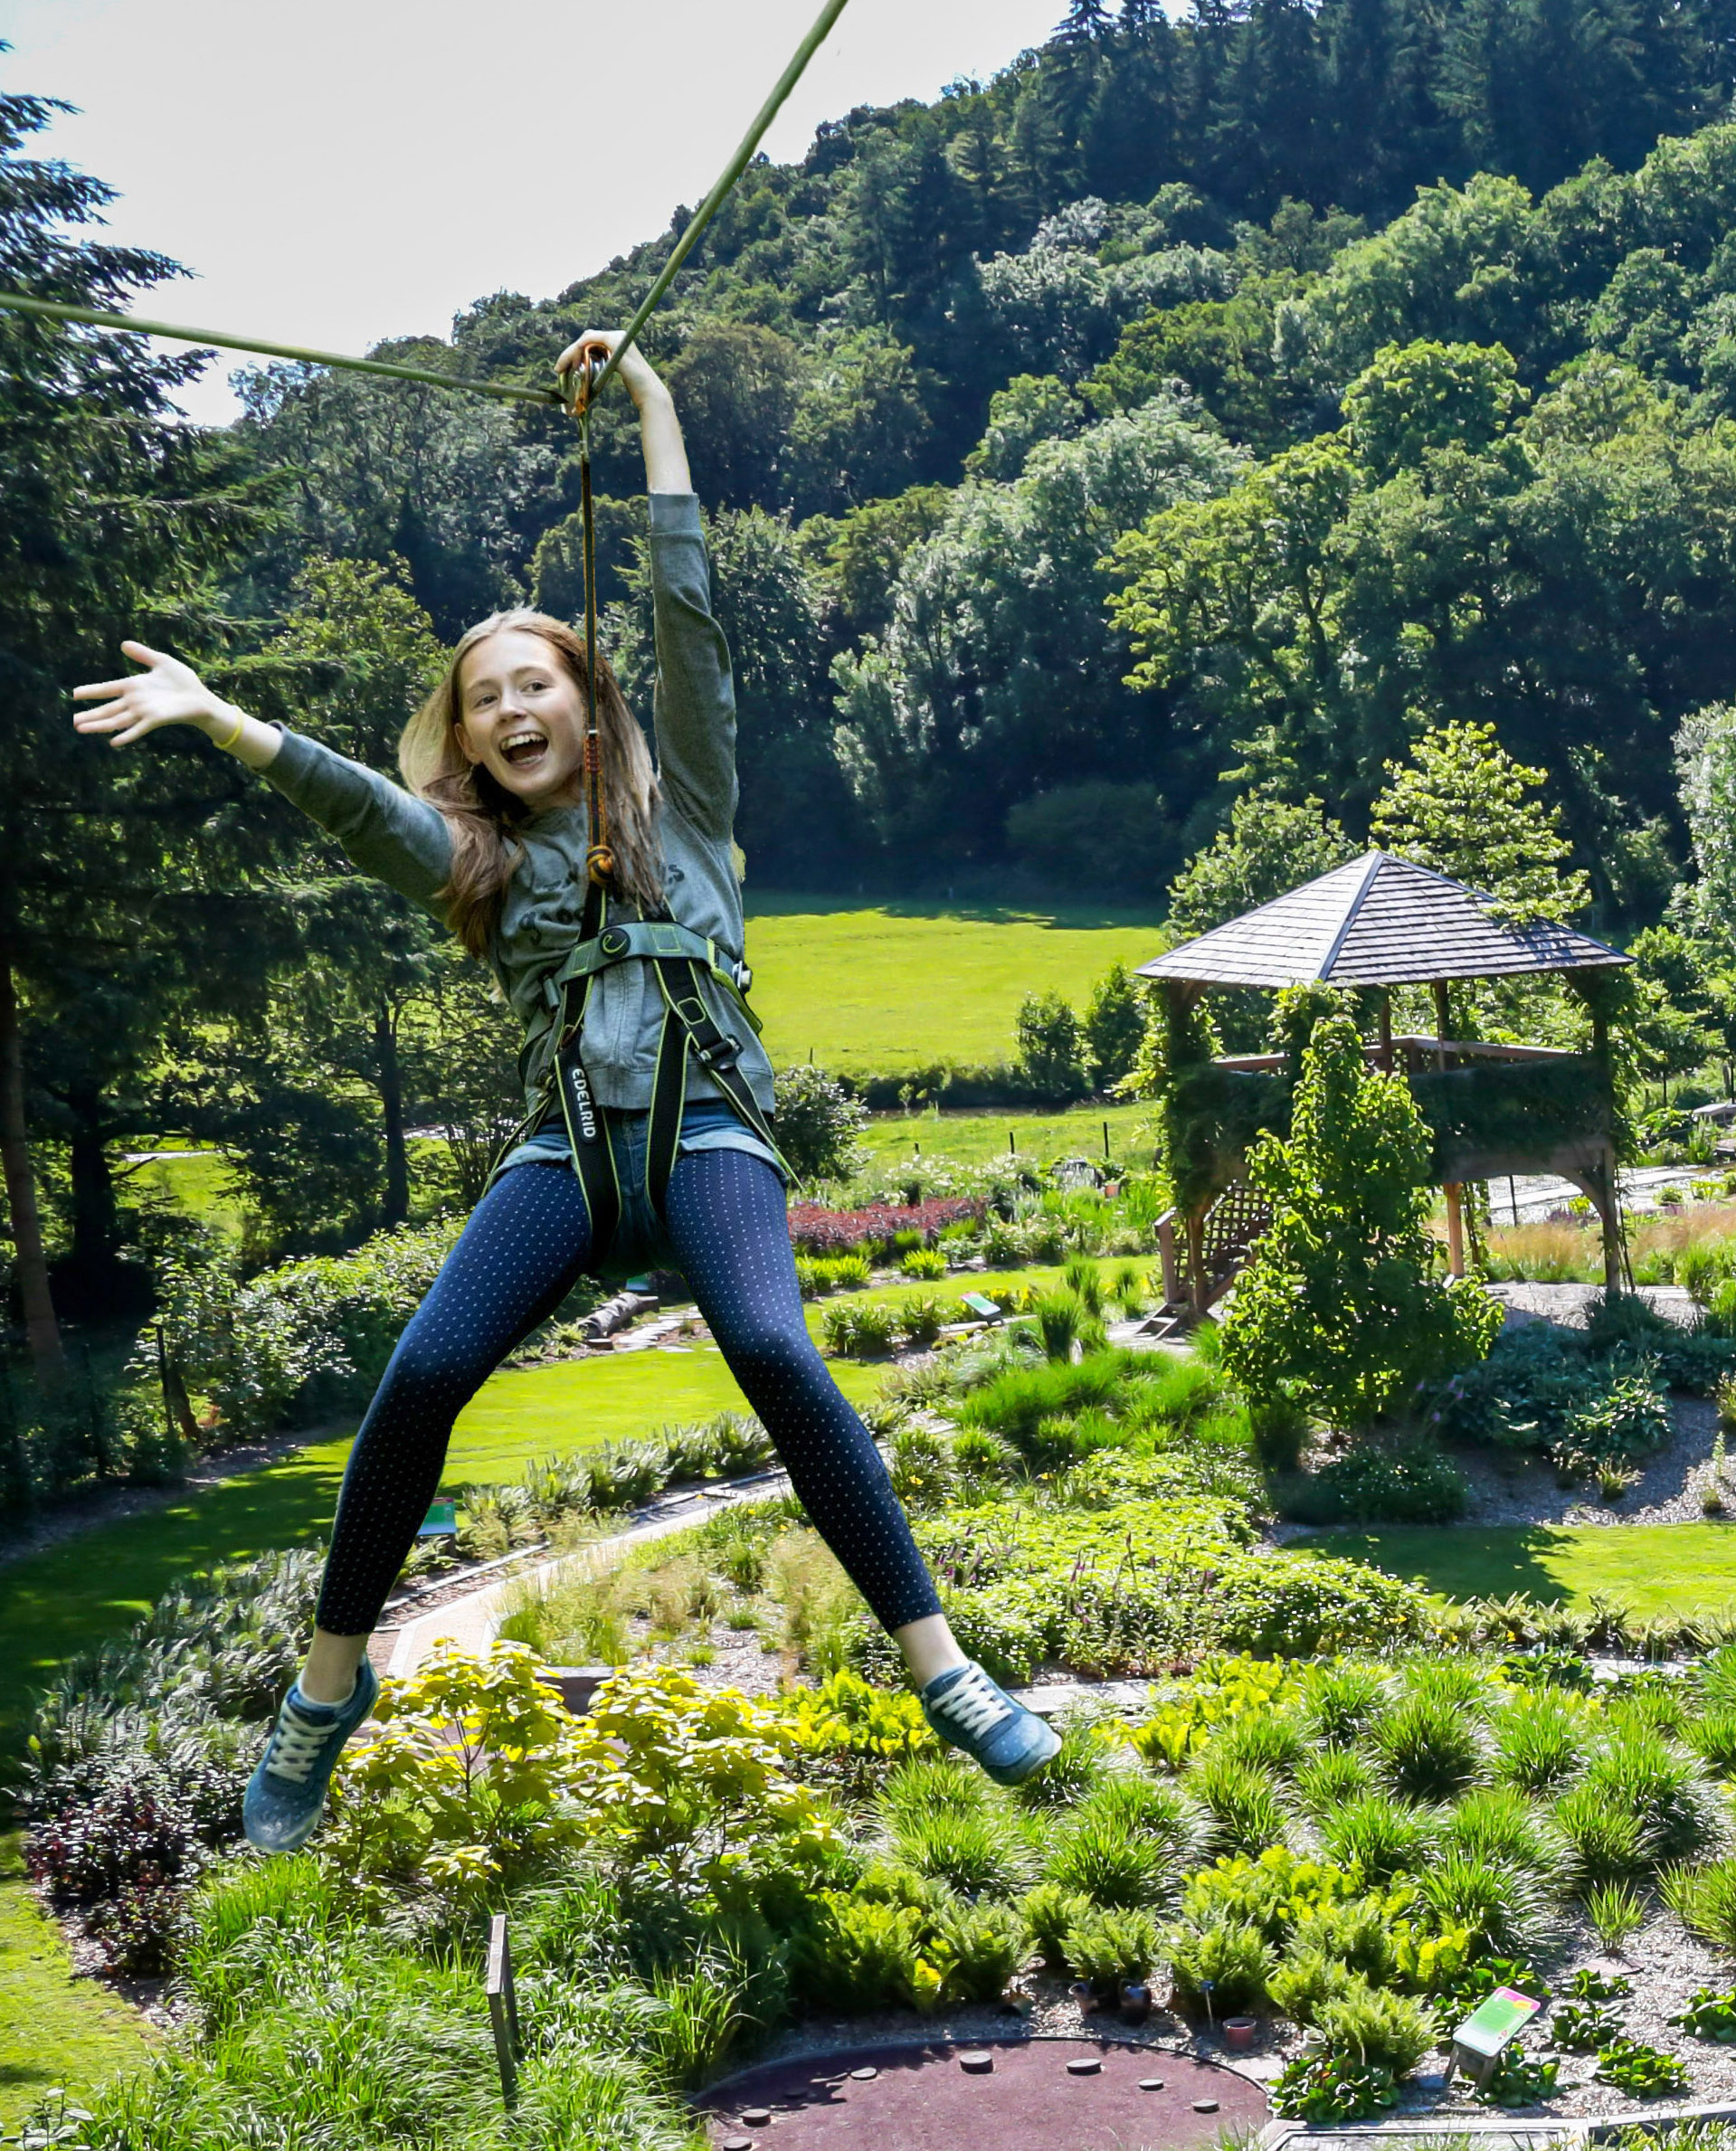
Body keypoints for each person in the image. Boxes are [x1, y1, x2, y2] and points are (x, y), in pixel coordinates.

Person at [72, 329, 1059, 1850]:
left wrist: (657, 403)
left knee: (777, 1356)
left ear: (589, 707)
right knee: (419, 1376)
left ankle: (942, 1665)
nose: (510, 707)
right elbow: (353, 802)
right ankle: (324, 1696)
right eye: (482, 699)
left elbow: (687, 614)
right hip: (565, 1157)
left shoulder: (695, 808)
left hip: (713, 1136)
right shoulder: (477, 862)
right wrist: (223, 717)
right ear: (468, 738)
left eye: (535, 681)